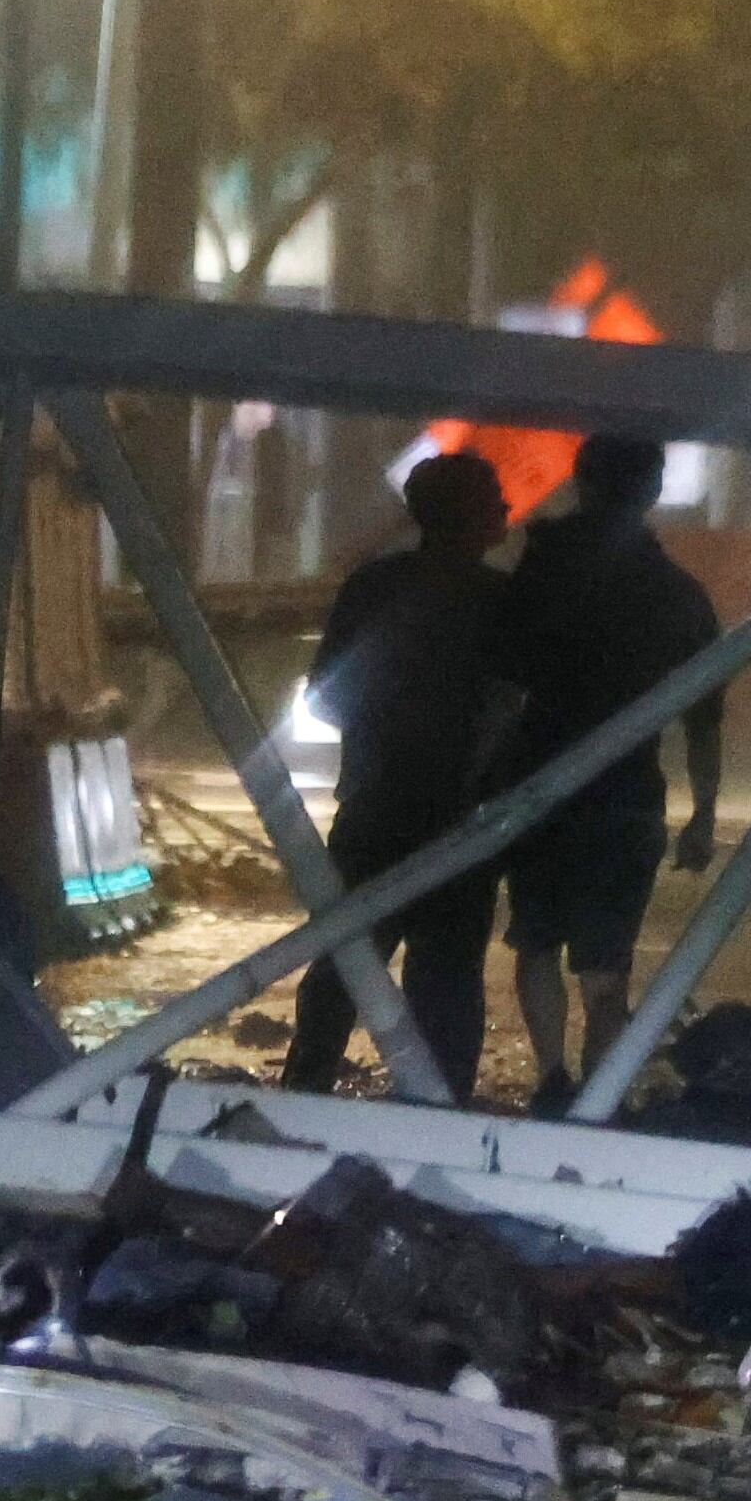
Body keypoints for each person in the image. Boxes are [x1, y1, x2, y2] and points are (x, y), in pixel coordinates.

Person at [486, 434, 720, 1100]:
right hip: (625, 799)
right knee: (606, 966)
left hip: (541, 789)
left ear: (582, 484)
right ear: (651, 492)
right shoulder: (676, 593)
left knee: (536, 943)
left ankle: (552, 1077)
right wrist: (702, 813)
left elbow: (504, 689)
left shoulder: (541, 572)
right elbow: (705, 717)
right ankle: (598, 1095)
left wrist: (480, 779)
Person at [280, 450, 510, 1098]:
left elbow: (325, 697)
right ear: (470, 514)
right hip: (464, 826)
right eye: (495, 496)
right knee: (447, 979)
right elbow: (516, 707)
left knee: (345, 961)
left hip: (373, 810)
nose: (508, 508)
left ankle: (306, 1086)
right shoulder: (501, 602)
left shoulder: (372, 589)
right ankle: (438, 1109)